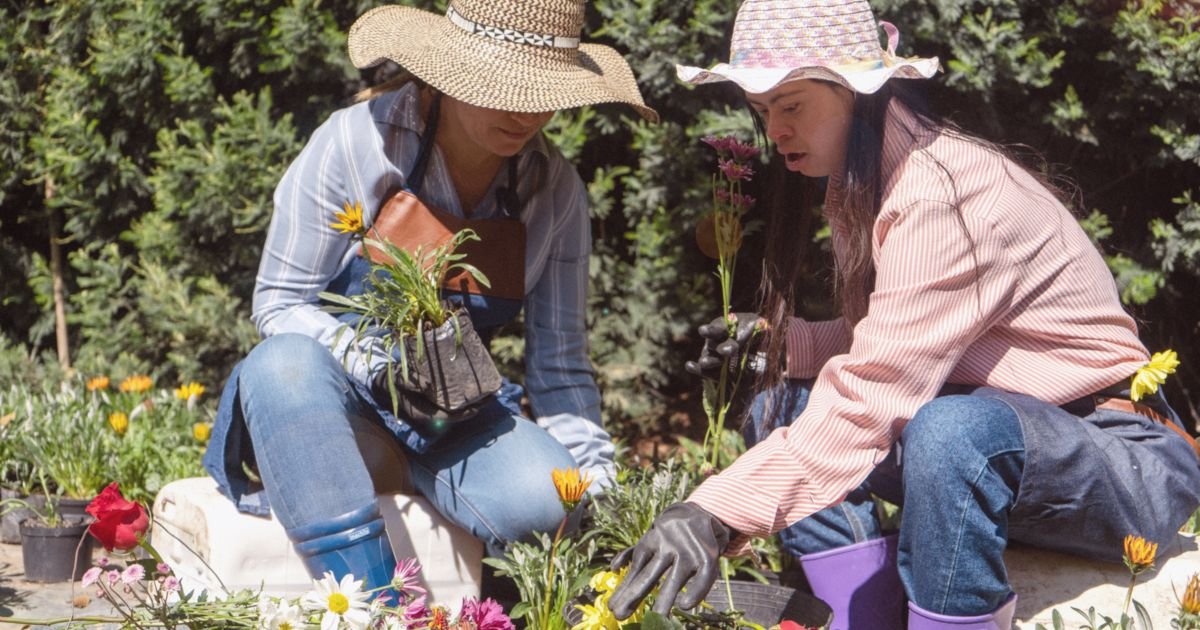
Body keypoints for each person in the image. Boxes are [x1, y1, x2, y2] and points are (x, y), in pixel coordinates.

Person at [607, 0, 1200, 628]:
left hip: (1120, 455)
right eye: (762, 111)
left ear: (860, 94)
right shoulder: (873, 180)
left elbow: (877, 392)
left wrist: (715, 512)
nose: (775, 129)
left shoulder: (944, 194)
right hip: (1013, 439)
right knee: (780, 404)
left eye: (793, 104)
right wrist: (783, 349)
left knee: (949, 433)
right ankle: (856, 615)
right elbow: (899, 338)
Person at [202, 0, 657, 595]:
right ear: (451, 71)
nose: (526, 112)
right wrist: (382, 369)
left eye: (543, 92)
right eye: (504, 87)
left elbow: (561, 365)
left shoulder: (556, 191)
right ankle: (375, 607)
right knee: (281, 363)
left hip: (452, 414)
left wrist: (599, 483)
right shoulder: (353, 143)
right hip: (327, 400)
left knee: (546, 499)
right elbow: (280, 303)